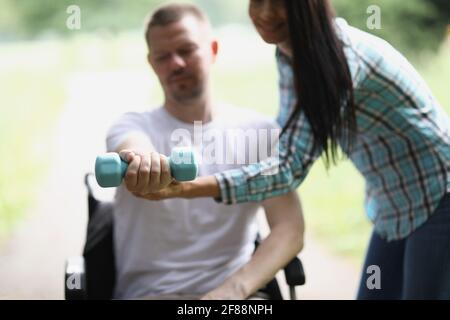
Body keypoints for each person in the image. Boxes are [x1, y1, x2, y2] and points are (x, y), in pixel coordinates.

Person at [139, 0, 450, 299]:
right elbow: (284, 140)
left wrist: (190, 188)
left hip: (439, 195)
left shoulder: (341, 59)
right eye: (258, 0)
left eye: (281, 2)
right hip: (394, 205)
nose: (265, 13)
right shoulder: (290, 54)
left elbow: (288, 167)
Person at [106, 2, 304, 300]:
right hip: (151, 295)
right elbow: (133, 148)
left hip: (236, 297)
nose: (176, 64)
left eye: (186, 50)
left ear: (212, 49)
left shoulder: (260, 132)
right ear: (152, 63)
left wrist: (232, 291)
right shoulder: (131, 126)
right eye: (163, 56)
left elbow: (289, 227)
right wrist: (144, 162)